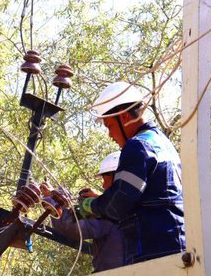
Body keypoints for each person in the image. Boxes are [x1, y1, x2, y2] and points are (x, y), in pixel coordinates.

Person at [79, 82, 186, 265]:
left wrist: (91, 205)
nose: (110, 135)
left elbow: (118, 204)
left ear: (124, 117)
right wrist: (102, 199)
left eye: (109, 126)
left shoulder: (137, 146)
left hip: (153, 252)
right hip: (174, 245)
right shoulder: (162, 142)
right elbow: (139, 194)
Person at [51, 152, 124, 272]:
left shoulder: (108, 212)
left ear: (118, 178)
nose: (104, 185)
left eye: (106, 179)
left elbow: (71, 228)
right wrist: (97, 200)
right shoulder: (135, 205)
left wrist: (52, 201)